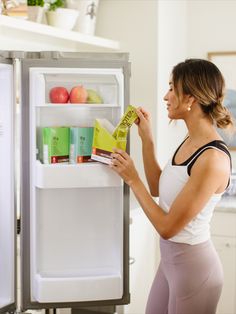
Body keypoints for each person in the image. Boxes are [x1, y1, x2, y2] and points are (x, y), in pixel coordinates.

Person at [110, 58, 234, 314]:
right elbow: (157, 187)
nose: (166, 96)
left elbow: (167, 228)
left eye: (171, 88)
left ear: (190, 99)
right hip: (170, 263)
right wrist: (147, 139)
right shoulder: (190, 141)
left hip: (194, 270)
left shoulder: (212, 158)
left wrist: (132, 178)